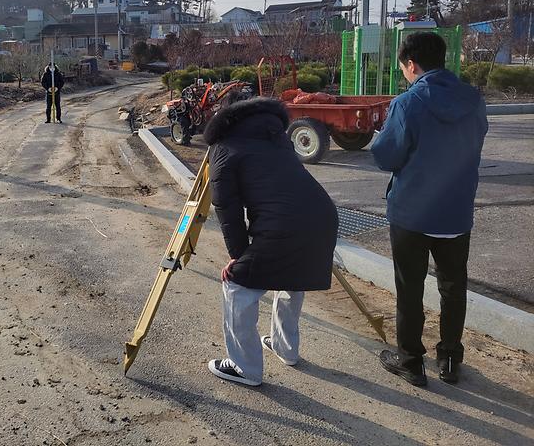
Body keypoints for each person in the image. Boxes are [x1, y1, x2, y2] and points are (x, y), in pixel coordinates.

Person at [372, 32, 487, 386]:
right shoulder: (473, 99)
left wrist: (381, 136)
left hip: (412, 213)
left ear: (411, 64)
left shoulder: (407, 104)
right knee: (454, 286)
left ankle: (410, 361)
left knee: (410, 287)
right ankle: (450, 359)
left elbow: (386, 155)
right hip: (456, 210)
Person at [204, 96, 339, 387]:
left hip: (283, 225)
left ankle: (244, 367)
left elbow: (226, 208)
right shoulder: (276, 137)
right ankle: (285, 347)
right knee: (293, 277)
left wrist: (238, 256)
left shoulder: (224, 148)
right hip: (323, 216)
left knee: (237, 285)